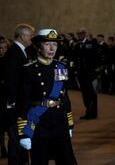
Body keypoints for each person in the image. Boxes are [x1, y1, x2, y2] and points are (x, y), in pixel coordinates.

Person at [16, 29, 76, 164]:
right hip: (40, 122)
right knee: (40, 160)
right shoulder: (28, 70)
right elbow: (23, 102)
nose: (51, 48)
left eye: (54, 45)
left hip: (60, 121)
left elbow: (65, 97)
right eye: (47, 44)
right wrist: (23, 133)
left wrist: (70, 124)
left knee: (66, 160)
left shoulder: (61, 67)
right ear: (38, 46)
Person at [3, 23, 34, 164]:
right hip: (15, 104)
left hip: (21, 102)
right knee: (15, 135)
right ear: (22, 36)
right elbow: (10, 79)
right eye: (30, 36)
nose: (31, 39)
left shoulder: (21, 51)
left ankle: (21, 161)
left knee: (20, 134)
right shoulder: (13, 52)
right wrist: (13, 101)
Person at [73, 29, 100, 119]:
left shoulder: (91, 44)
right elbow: (76, 59)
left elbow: (96, 57)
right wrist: (76, 70)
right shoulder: (77, 46)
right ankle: (88, 111)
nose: (79, 36)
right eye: (78, 34)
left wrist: (96, 69)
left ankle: (93, 113)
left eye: (81, 34)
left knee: (92, 93)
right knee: (85, 94)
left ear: (84, 34)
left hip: (90, 74)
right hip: (82, 74)